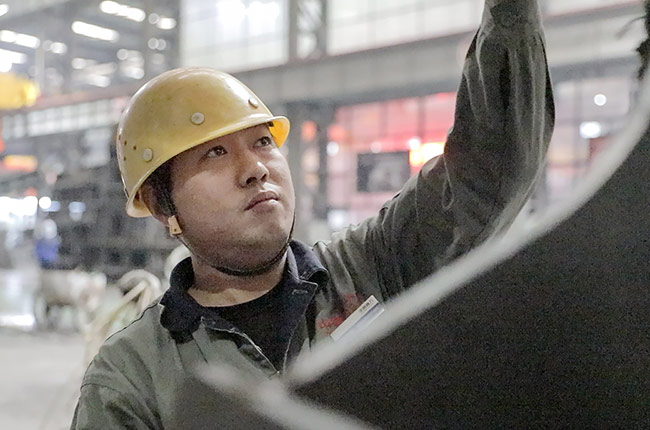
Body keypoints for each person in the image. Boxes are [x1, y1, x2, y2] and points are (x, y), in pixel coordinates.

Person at [71, 0, 554, 427]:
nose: (255, 168)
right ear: (163, 206)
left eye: (263, 142)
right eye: (214, 154)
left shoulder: (374, 265)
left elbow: (491, 165)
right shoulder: (131, 375)